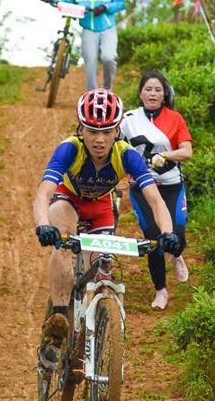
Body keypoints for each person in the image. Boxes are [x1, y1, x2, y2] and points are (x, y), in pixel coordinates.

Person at [33, 87, 181, 365]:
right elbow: (44, 192)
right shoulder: (69, 148)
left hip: (101, 209)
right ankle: (58, 325)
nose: (99, 139)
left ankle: (92, 337)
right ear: (81, 129)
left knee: (97, 269)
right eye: (92, 131)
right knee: (64, 243)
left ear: (117, 131)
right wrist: (43, 226)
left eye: (107, 131)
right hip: (68, 200)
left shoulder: (127, 156)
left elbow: (155, 200)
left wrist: (168, 233)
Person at [120, 70, 193, 310]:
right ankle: (161, 290)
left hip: (172, 185)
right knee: (154, 238)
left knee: (176, 236)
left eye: (158, 90)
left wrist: (165, 155)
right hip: (143, 187)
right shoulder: (128, 119)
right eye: (148, 89)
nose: (153, 93)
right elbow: (115, 147)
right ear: (140, 93)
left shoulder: (175, 118)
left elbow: (187, 152)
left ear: (164, 94)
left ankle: (176, 254)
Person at [41, 0, 125, 90]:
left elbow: (120, 3)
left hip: (107, 28)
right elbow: (65, 1)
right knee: (90, 63)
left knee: (108, 58)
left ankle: (107, 91)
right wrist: (53, 0)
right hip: (88, 29)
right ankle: (91, 96)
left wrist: (105, 7)